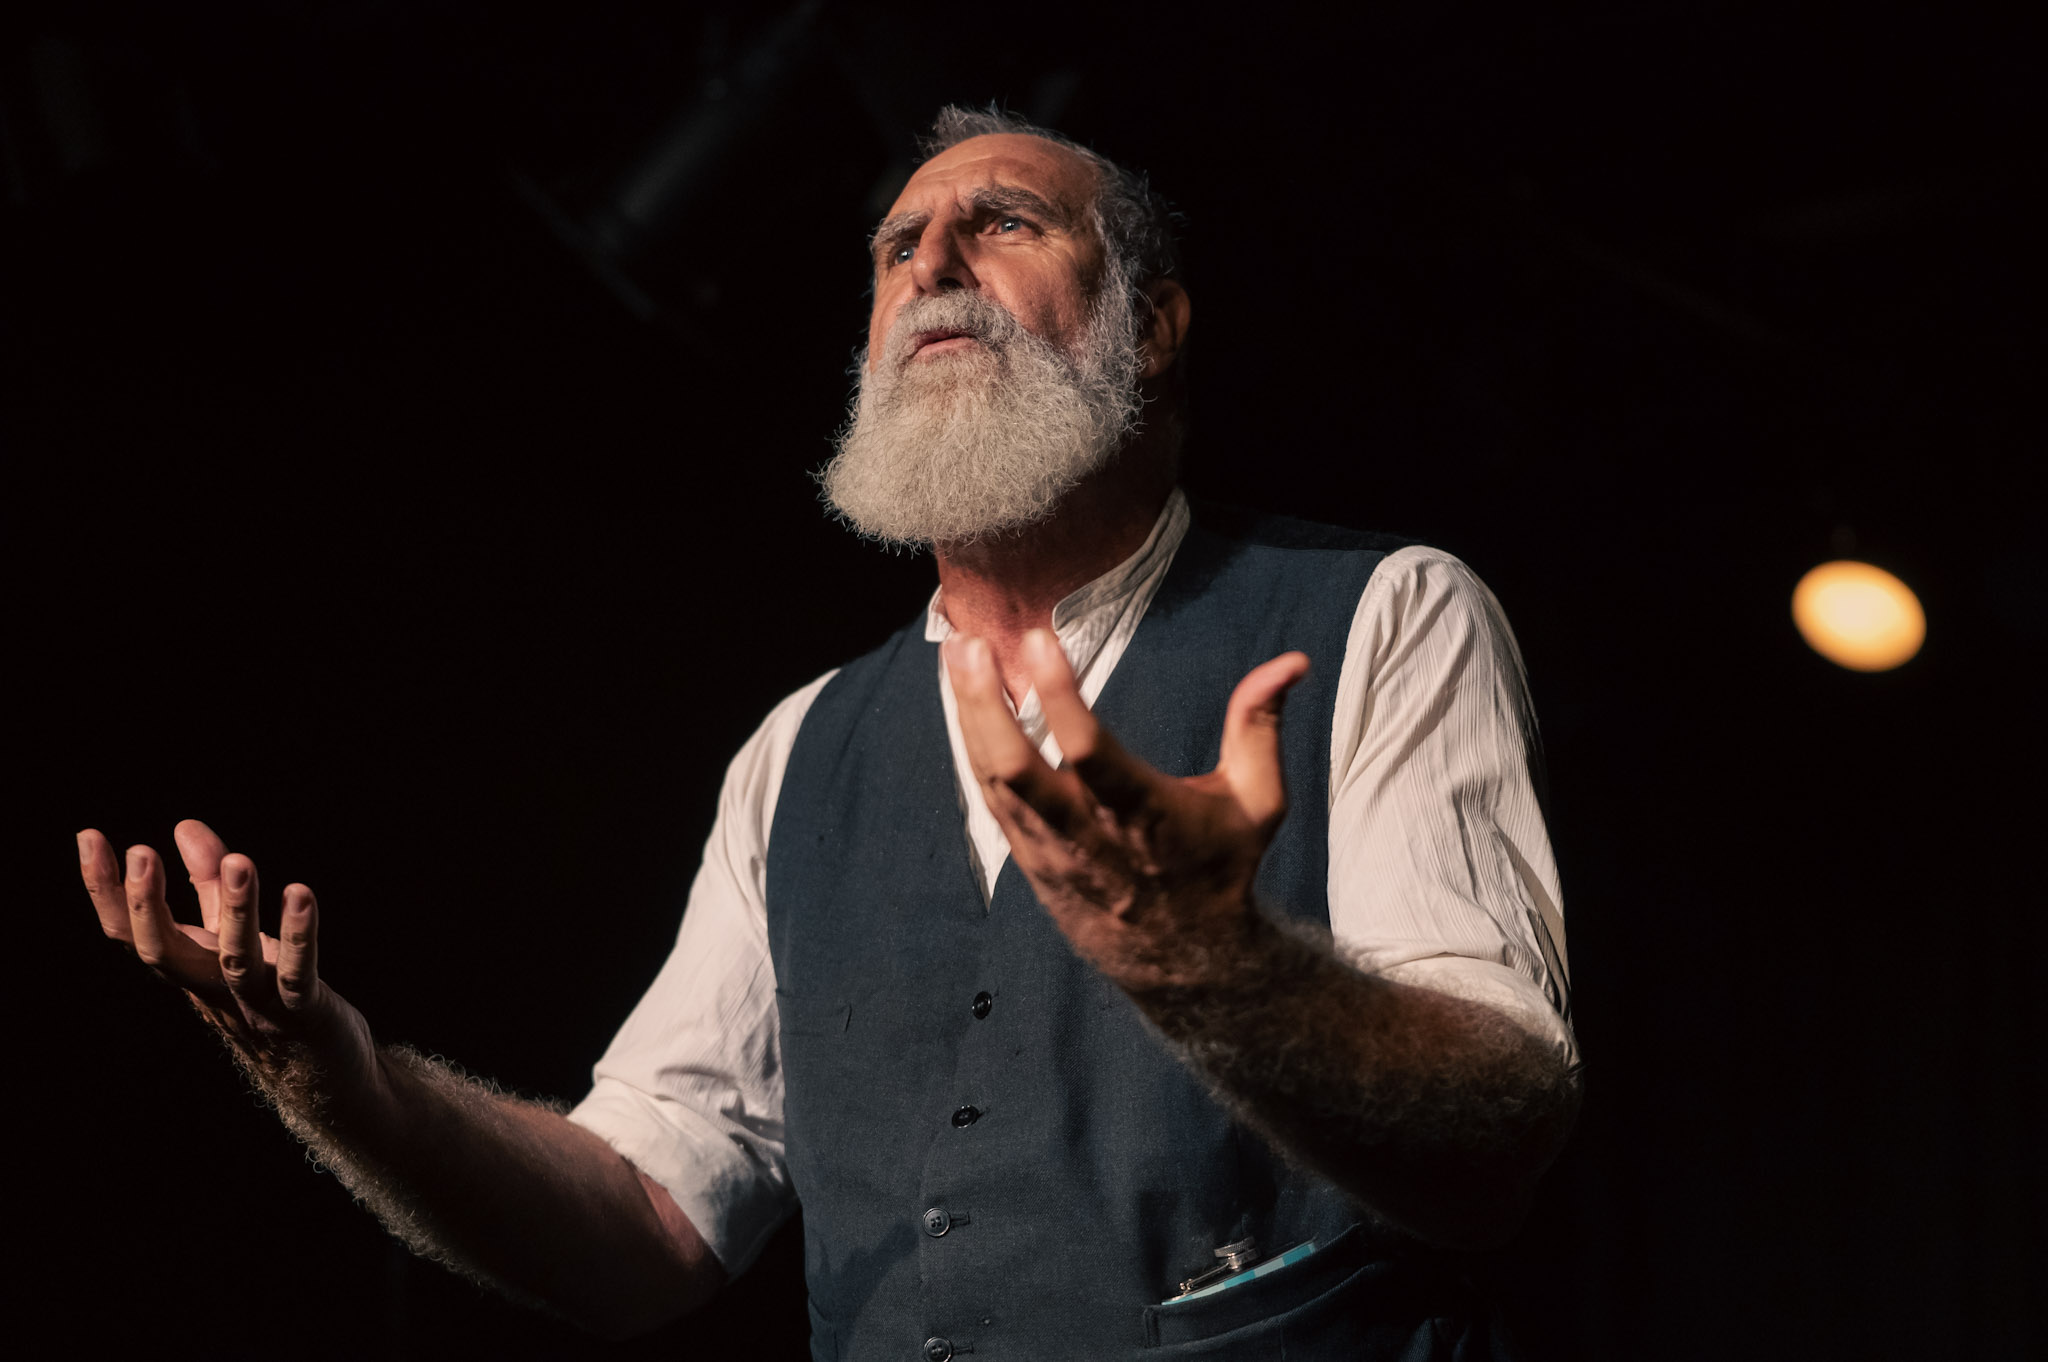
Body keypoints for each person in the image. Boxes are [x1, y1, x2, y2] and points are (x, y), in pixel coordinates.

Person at [78, 106, 1580, 1359]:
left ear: (1156, 327)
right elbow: (645, 1220)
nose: (933, 264)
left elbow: (1499, 1140)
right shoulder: (800, 750)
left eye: (1003, 223)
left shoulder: (1382, 615)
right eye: (896, 248)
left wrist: (1219, 967)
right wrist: (346, 1087)